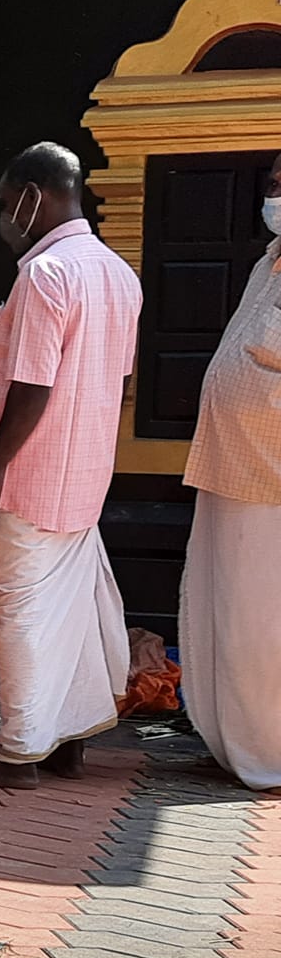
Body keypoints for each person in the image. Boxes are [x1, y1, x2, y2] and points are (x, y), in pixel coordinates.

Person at [0, 143, 142, 789]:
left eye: (8, 205)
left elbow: (32, 383)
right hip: (85, 474)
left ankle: (19, 752)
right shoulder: (118, 274)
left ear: (33, 194)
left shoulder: (47, 274)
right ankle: (69, 741)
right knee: (73, 615)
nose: (6, 218)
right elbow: (115, 379)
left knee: (23, 613)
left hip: (31, 478)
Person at [181, 152, 281, 791]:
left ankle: (268, 753)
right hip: (227, 463)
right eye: (273, 184)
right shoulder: (264, 266)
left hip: (269, 475)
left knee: (262, 614)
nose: (275, 196)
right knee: (221, 604)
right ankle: (230, 740)